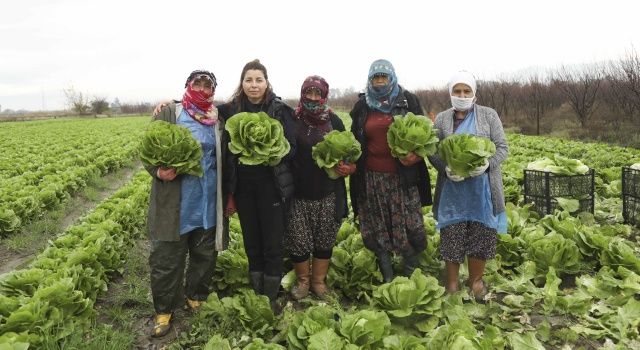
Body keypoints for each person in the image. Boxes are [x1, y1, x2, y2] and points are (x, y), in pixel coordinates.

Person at [145, 70, 229, 337]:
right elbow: (148, 149)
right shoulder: (171, 113)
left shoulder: (218, 118)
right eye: (198, 84)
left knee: (204, 254)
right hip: (176, 200)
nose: (203, 89)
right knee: (167, 258)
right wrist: (157, 172)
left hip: (207, 199)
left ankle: (196, 297)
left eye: (208, 85)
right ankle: (164, 311)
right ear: (188, 86)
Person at [218, 59, 296, 306]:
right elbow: (199, 108)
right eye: (248, 80)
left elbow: (291, 147)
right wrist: (171, 104)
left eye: (258, 80)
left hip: (271, 185)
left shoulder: (280, 109)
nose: (254, 85)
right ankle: (257, 285)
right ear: (242, 83)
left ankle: (270, 294)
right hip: (243, 186)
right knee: (252, 239)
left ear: (266, 82)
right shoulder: (231, 109)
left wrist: (272, 154)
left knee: (272, 241)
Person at [427, 71, 508, 301]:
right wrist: (445, 169)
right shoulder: (442, 119)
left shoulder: (488, 115)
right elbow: (432, 150)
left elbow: (502, 147)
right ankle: (452, 284)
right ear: (450, 93)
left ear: (474, 94)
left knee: (480, 237)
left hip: (482, 190)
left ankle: (475, 282)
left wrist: (487, 165)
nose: (462, 95)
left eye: (466, 91)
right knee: (451, 235)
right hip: (452, 191)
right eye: (457, 91)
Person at [349, 59, 432, 283]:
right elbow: (354, 140)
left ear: (392, 77)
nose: (379, 82)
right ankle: (385, 268)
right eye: (375, 78)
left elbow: (426, 134)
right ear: (369, 79)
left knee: (409, 222)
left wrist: (417, 154)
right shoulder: (362, 105)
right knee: (376, 223)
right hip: (371, 177)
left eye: (384, 77)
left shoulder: (408, 100)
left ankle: (410, 265)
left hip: (403, 176)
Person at [286, 75, 355, 300]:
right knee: (298, 239)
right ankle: (303, 281)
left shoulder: (334, 122)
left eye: (318, 93)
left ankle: (318, 282)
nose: (313, 98)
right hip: (298, 191)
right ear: (302, 93)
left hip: (328, 190)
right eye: (309, 93)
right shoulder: (292, 120)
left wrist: (347, 166)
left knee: (325, 237)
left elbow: (350, 152)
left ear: (324, 95)